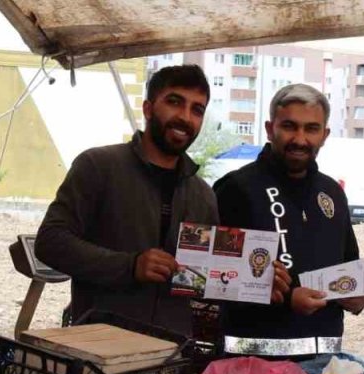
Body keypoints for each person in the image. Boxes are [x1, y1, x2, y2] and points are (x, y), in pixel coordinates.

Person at [35, 65, 287, 336]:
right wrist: (130, 266)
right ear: (147, 108)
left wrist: (257, 282)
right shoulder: (99, 166)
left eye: (197, 110)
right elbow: (50, 242)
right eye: (175, 102)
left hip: (170, 357)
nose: (185, 117)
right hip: (98, 349)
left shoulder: (202, 194)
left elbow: (206, 280)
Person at [213, 84, 364, 359]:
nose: (300, 138)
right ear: (270, 129)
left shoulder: (332, 193)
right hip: (252, 369)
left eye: (311, 129)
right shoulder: (236, 189)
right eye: (289, 126)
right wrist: (283, 299)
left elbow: (349, 266)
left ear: (325, 135)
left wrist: (357, 295)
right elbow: (207, 275)